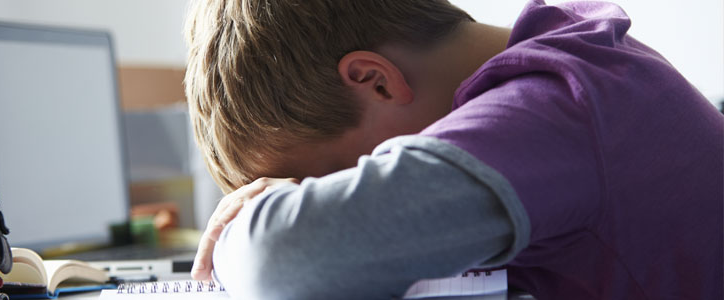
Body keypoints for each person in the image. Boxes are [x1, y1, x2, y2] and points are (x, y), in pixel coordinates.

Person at [183, 0, 724, 299]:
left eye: (335, 182)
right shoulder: (581, 57)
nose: (349, 198)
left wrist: (244, 224)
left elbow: (285, 261)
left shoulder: (554, 108)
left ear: (376, 81)